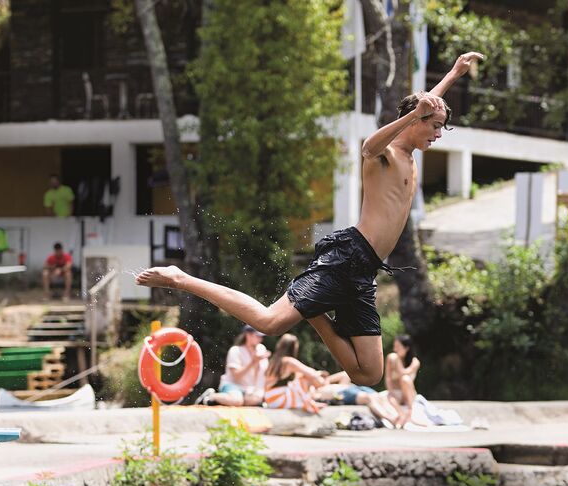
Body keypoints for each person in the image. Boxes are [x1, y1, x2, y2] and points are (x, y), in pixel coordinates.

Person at [136, 51, 485, 387]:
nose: (438, 135)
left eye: (441, 128)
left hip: (364, 270)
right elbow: (370, 144)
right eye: (434, 127)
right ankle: (181, 279)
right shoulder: (386, 153)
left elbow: (423, 107)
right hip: (347, 257)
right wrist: (416, 115)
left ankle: (315, 313)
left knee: (368, 374)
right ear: (415, 121)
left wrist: (453, 75)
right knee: (270, 322)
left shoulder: (410, 151)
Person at [198, 325, 270, 406]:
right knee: (237, 401)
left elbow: (261, 374)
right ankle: (211, 396)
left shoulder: (261, 349)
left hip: (248, 389)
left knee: (256, 400)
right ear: (248, 335)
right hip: (232, 385)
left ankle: (221, 400)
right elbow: (236, 376)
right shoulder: (235, 351)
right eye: (257, 336)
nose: (260, 339)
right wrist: (253, 362)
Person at [314, 370, 406, 428]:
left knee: (378, 396)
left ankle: (398, 416)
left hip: (352, 389)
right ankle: (391, 418)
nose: (322, 378)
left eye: (323, 376)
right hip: (344, 393)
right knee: (368, 398)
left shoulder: (332, 384)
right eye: (320, 377)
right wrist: (316, 379)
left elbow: (345, 374)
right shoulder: (315, 391)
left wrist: (327, 380)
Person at [263, 334, 326, 414]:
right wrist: (320, 375)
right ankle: (310, 403)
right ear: (293, 347)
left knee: (298, 378)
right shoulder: (288, 361)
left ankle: (310, 402)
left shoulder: (274, 361)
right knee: (303, 378)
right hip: (278, 399)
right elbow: (312, 374)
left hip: (269, 398)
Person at [384, 334, 420, 424]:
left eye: (398, 347)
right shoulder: (392, 358)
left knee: (405, 379)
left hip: (408, 394)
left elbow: (403, 373)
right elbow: (388, 378)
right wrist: (390, 391)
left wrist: (397, 361)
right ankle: (401, 415)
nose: (395, 349)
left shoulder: (414, 362)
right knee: (389, 397)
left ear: (406, 348)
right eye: (394, 346)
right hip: (396, 393)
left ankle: (410, 411)